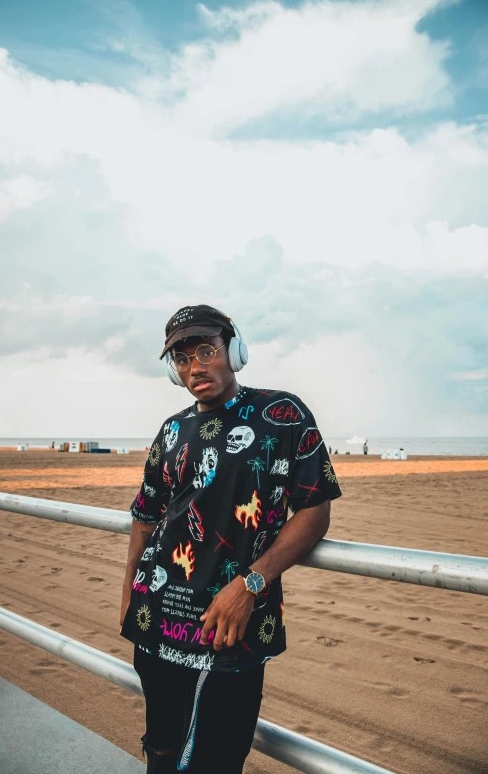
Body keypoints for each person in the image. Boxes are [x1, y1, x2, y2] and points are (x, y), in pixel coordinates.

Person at [120, 305, 342, 774]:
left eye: (206, 350)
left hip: (232, 625)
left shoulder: (283, 415)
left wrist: (250, 584)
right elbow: (145, 518)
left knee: (218, 758)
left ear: (234, 350)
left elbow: (315, 510)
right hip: (158, 617)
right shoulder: (172, 430)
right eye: (181, 359)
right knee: (161, 746)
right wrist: (128, 602)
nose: (195, 366)